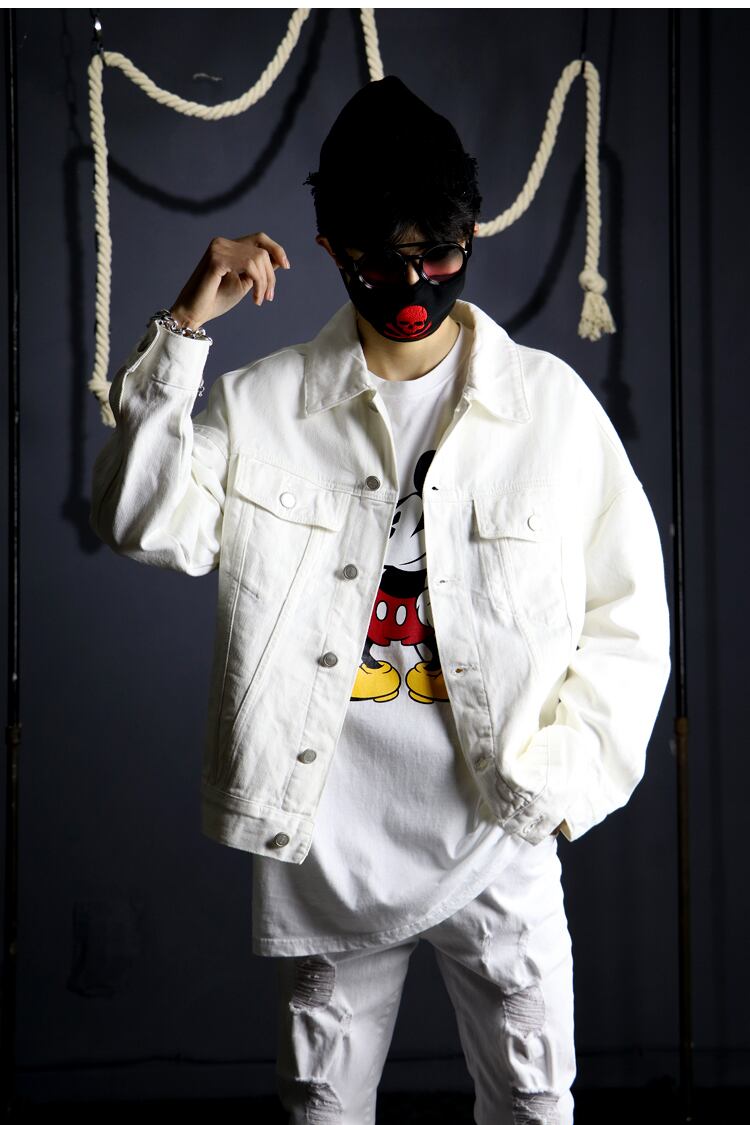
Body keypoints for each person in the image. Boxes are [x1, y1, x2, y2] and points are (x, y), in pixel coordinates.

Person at [89, 76, 672, 1125]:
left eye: (435, 253)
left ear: (470, 234)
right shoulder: (263, 406)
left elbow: (631, 619)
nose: (410, 281)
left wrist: (559, 786)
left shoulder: (550, 409)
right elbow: (140, 520)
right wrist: (183, 327)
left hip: (498, 832)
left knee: (536, 1106)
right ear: (329, 249)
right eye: (378, 258)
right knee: (323, 1112)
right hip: (327, 852)